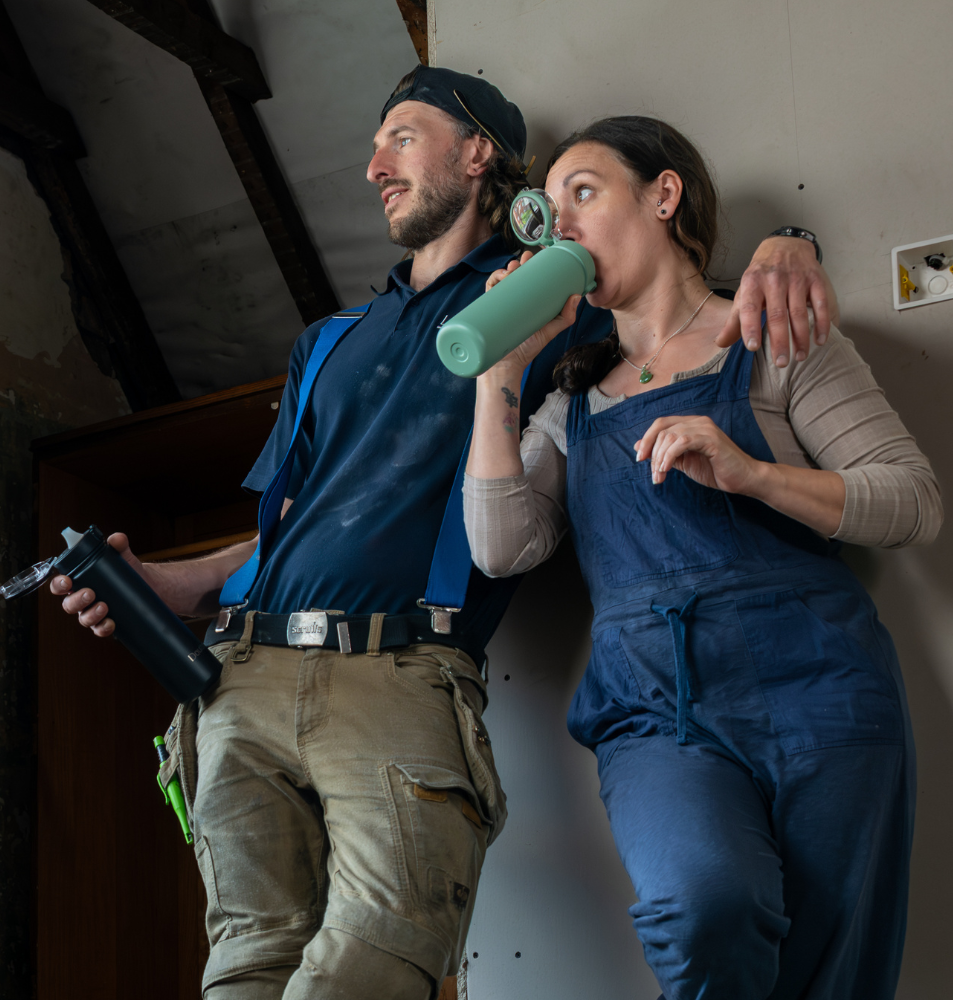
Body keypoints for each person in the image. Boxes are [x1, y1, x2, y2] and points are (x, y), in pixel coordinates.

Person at [50, 67, 839, 999]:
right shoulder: (330, 341)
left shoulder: (551, 304)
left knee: (372, 968)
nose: (374, 165)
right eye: (377, 143)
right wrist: (183, 585)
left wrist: (790, 240)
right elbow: (305, 517)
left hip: (399, 671)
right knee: (245, 965)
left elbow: (671, 302)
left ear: (478, 154)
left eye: (402, 136)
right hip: (243, 678)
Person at [464, 115, 942, 1000]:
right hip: (654, 707)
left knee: (837, 970)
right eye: (548, 206)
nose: (559, 223)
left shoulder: (777, 338)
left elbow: (912, 500)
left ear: (664, 195)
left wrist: (754, 473)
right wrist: (500, 373)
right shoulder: (569, 405)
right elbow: (499, 549)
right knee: (702, 904)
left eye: (583, 192)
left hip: (824, 690)